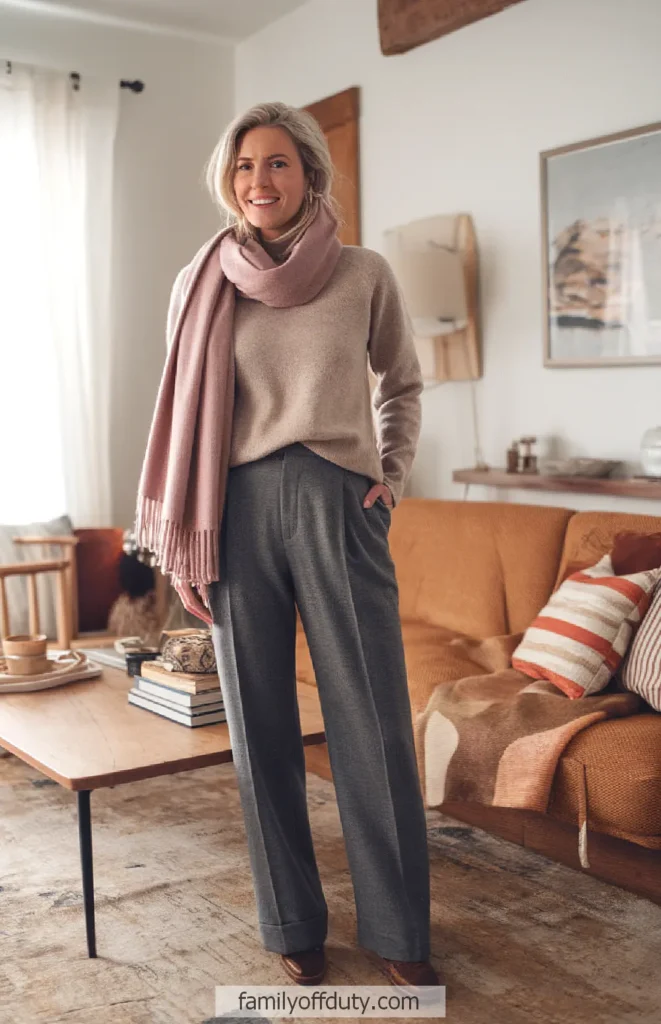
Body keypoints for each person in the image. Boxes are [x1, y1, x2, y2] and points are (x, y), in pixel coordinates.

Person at [134, 101, 439, 991]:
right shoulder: (202, 282)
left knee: (372, 724)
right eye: (242, 168)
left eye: (275, 164)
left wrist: (390, 475)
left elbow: (404, 383)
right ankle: (292, 921)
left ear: (310, 173)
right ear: (228, 183)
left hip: (338, 501)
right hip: (231, 506)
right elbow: (187, 416)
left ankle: (397, 926)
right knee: (258, 725)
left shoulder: (362, 272)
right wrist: (195, 530)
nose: (257, 182)